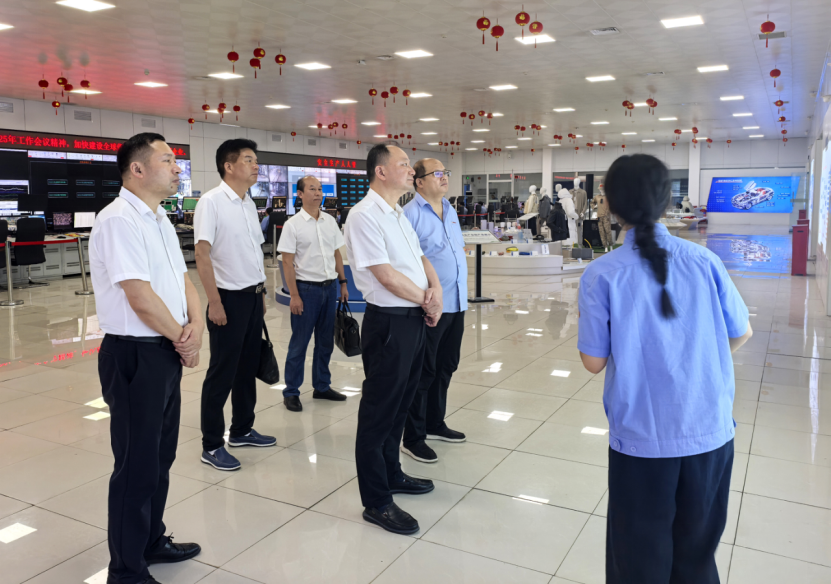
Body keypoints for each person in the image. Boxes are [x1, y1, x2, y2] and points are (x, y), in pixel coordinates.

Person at [577, 154, 752, 584]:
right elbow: (741, 332)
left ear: (610, 203)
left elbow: (593, 362)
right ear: (665, 200)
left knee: (638, 563)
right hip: (708, 431)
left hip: (642, 440)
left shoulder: (602, 274)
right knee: (697, 558)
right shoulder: (705, 261)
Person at [90, 132, 203, 584]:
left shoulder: (158, 219)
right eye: (168, 160)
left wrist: (194, 326)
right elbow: (138, 296)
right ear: (137, 169)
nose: (177, 168)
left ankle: (150, 540)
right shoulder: (119, 220)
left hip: (164, 350)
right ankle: (126, 570)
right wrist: (183, 339)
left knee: (160, 458)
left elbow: (182, 279)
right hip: (135, 355)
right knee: (136, 466)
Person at [344, 144, 443, 536]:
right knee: (378, 412)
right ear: (381, 172)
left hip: (414, 318)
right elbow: (384, 275)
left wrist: (435, 291)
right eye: (403, 164)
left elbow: (420, 259)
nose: (410, 170)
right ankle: (377, 501)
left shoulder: (397, 212)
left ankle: (392, 473)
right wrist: (426, 299)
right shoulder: (363, 215)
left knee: (401, 404)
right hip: (388, 323)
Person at [195, 139, 276, 472]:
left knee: (246, 368)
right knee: (222, 372)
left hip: (252, 297)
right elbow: (202, 255)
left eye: (256, 160)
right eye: (249, 160)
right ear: (229, 166)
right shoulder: (211, 202)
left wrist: (262, 294)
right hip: (228, 299)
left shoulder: (248, 203)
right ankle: (212, 445)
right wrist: (214, 303)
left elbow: (253, 252)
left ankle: (241, 429)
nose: (256, 165)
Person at [400, 159, 467, 464]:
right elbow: (408, 262)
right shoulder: (410, 214)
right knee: (423, 372)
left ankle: (434, 422)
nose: (444, 177)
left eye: (445, 173)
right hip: (431, 308)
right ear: (419, 181)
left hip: (457, 303)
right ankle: (413, 437)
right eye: (437, 173)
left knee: (446, 366)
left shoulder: (450, 209)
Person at [278, 176, 349, 411]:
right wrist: (294, 295)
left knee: (325, 341)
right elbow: (287, 262)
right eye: (312, 189)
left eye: (320, 189)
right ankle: (291, 391)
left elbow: (336, 254)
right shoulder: (293, 225)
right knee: (299, 343)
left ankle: (322, 386)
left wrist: (343, 283)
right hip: (306, 290)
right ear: (300, 194)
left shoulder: (330, 221)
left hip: (329, 288)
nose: (318, 193)